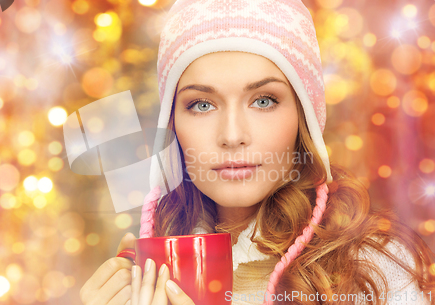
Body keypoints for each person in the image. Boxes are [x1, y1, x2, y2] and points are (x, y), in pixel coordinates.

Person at [80, 0, 435, 304]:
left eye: (263, 100)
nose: (232, 136)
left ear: (304, 115)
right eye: (202, 104)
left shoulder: (375, 271)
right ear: (172, 123)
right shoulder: (148, 272)